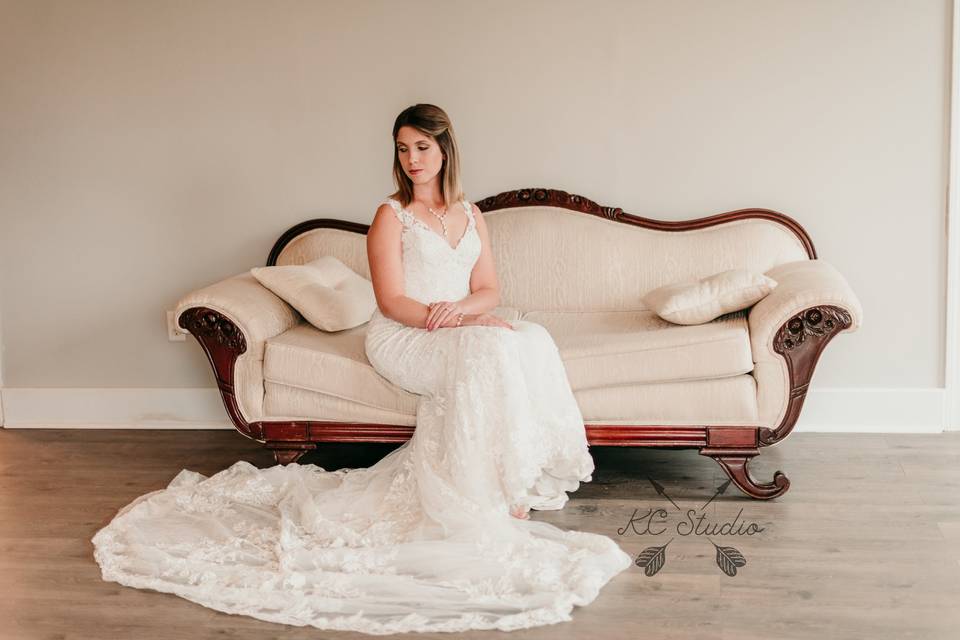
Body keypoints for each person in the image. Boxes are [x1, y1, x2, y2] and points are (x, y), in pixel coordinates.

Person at [91, 103, 632, 634]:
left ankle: (516, 481)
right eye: (403, 149)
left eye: (422, 147)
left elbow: (489, 290)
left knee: (530, 338)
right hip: (402, 336)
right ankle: (492, 497)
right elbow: (393, 300)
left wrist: (464, 314)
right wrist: (446, 323)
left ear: (445, 149)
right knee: (487, 350)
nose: (413, 159)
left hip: (452, 326)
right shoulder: (390, 215)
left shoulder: (471, 216)